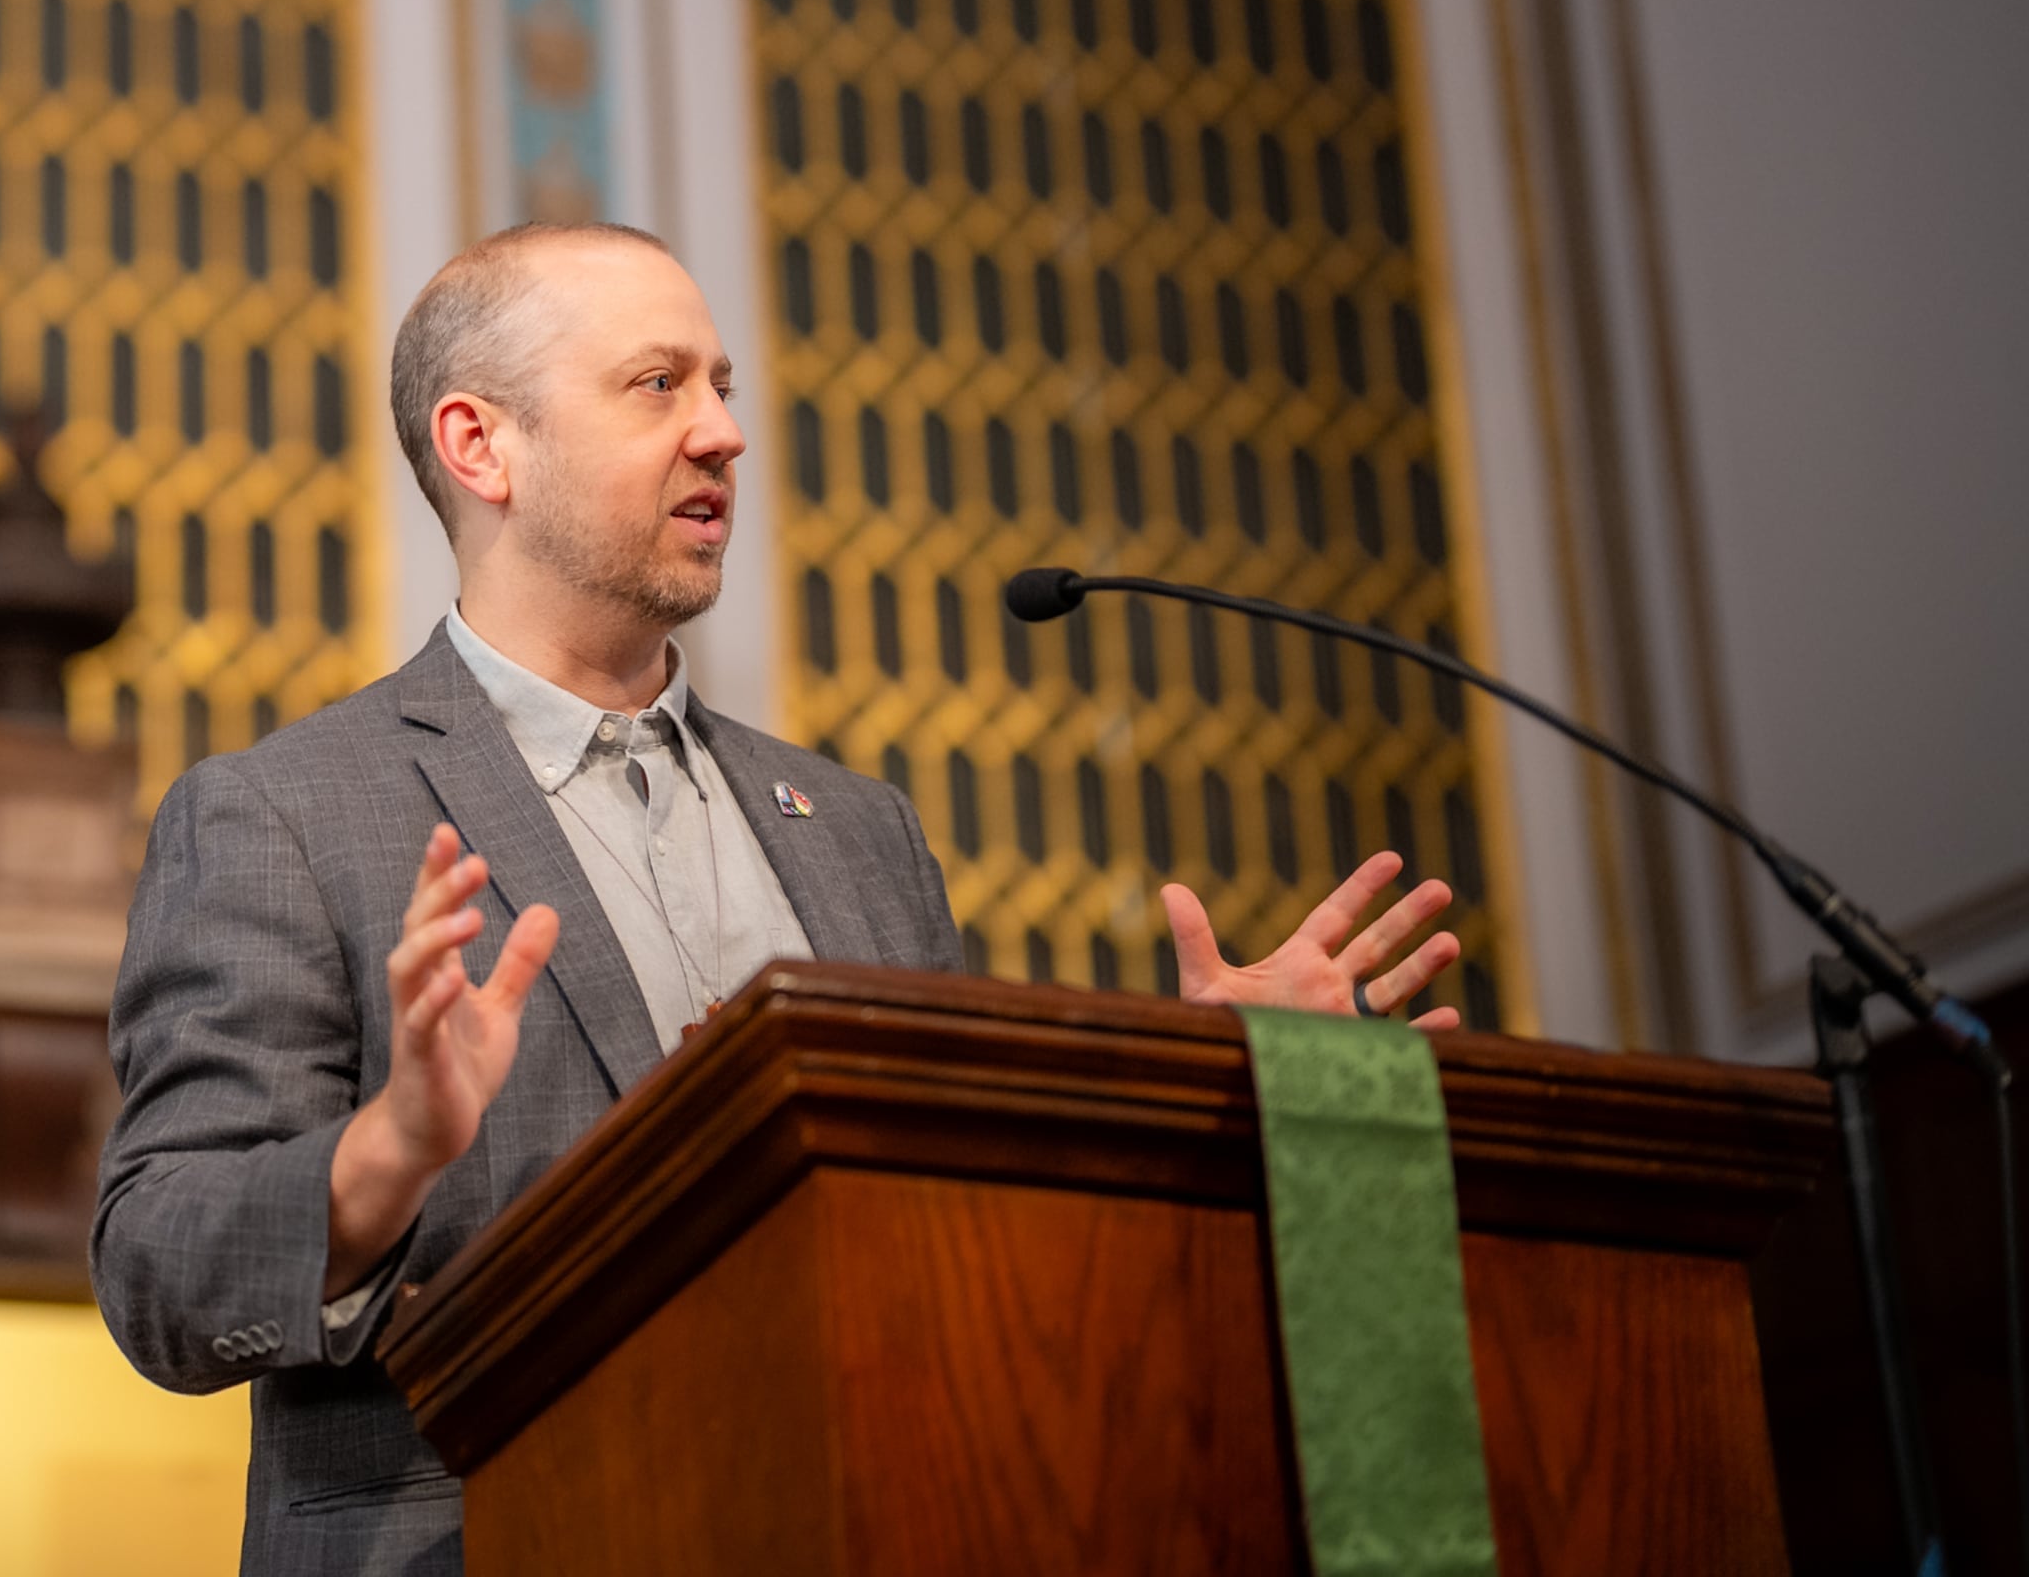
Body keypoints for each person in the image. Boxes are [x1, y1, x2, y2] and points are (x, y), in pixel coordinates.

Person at [89, 222, 1463, 1576]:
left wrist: (1192, 1100)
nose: (724, 434)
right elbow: (162, 1274)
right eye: (658, 384)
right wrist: (388, 1150)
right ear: (480, 445)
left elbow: (950, 1237)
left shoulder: (863, 837)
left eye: (723, 386)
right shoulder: (284, 812)